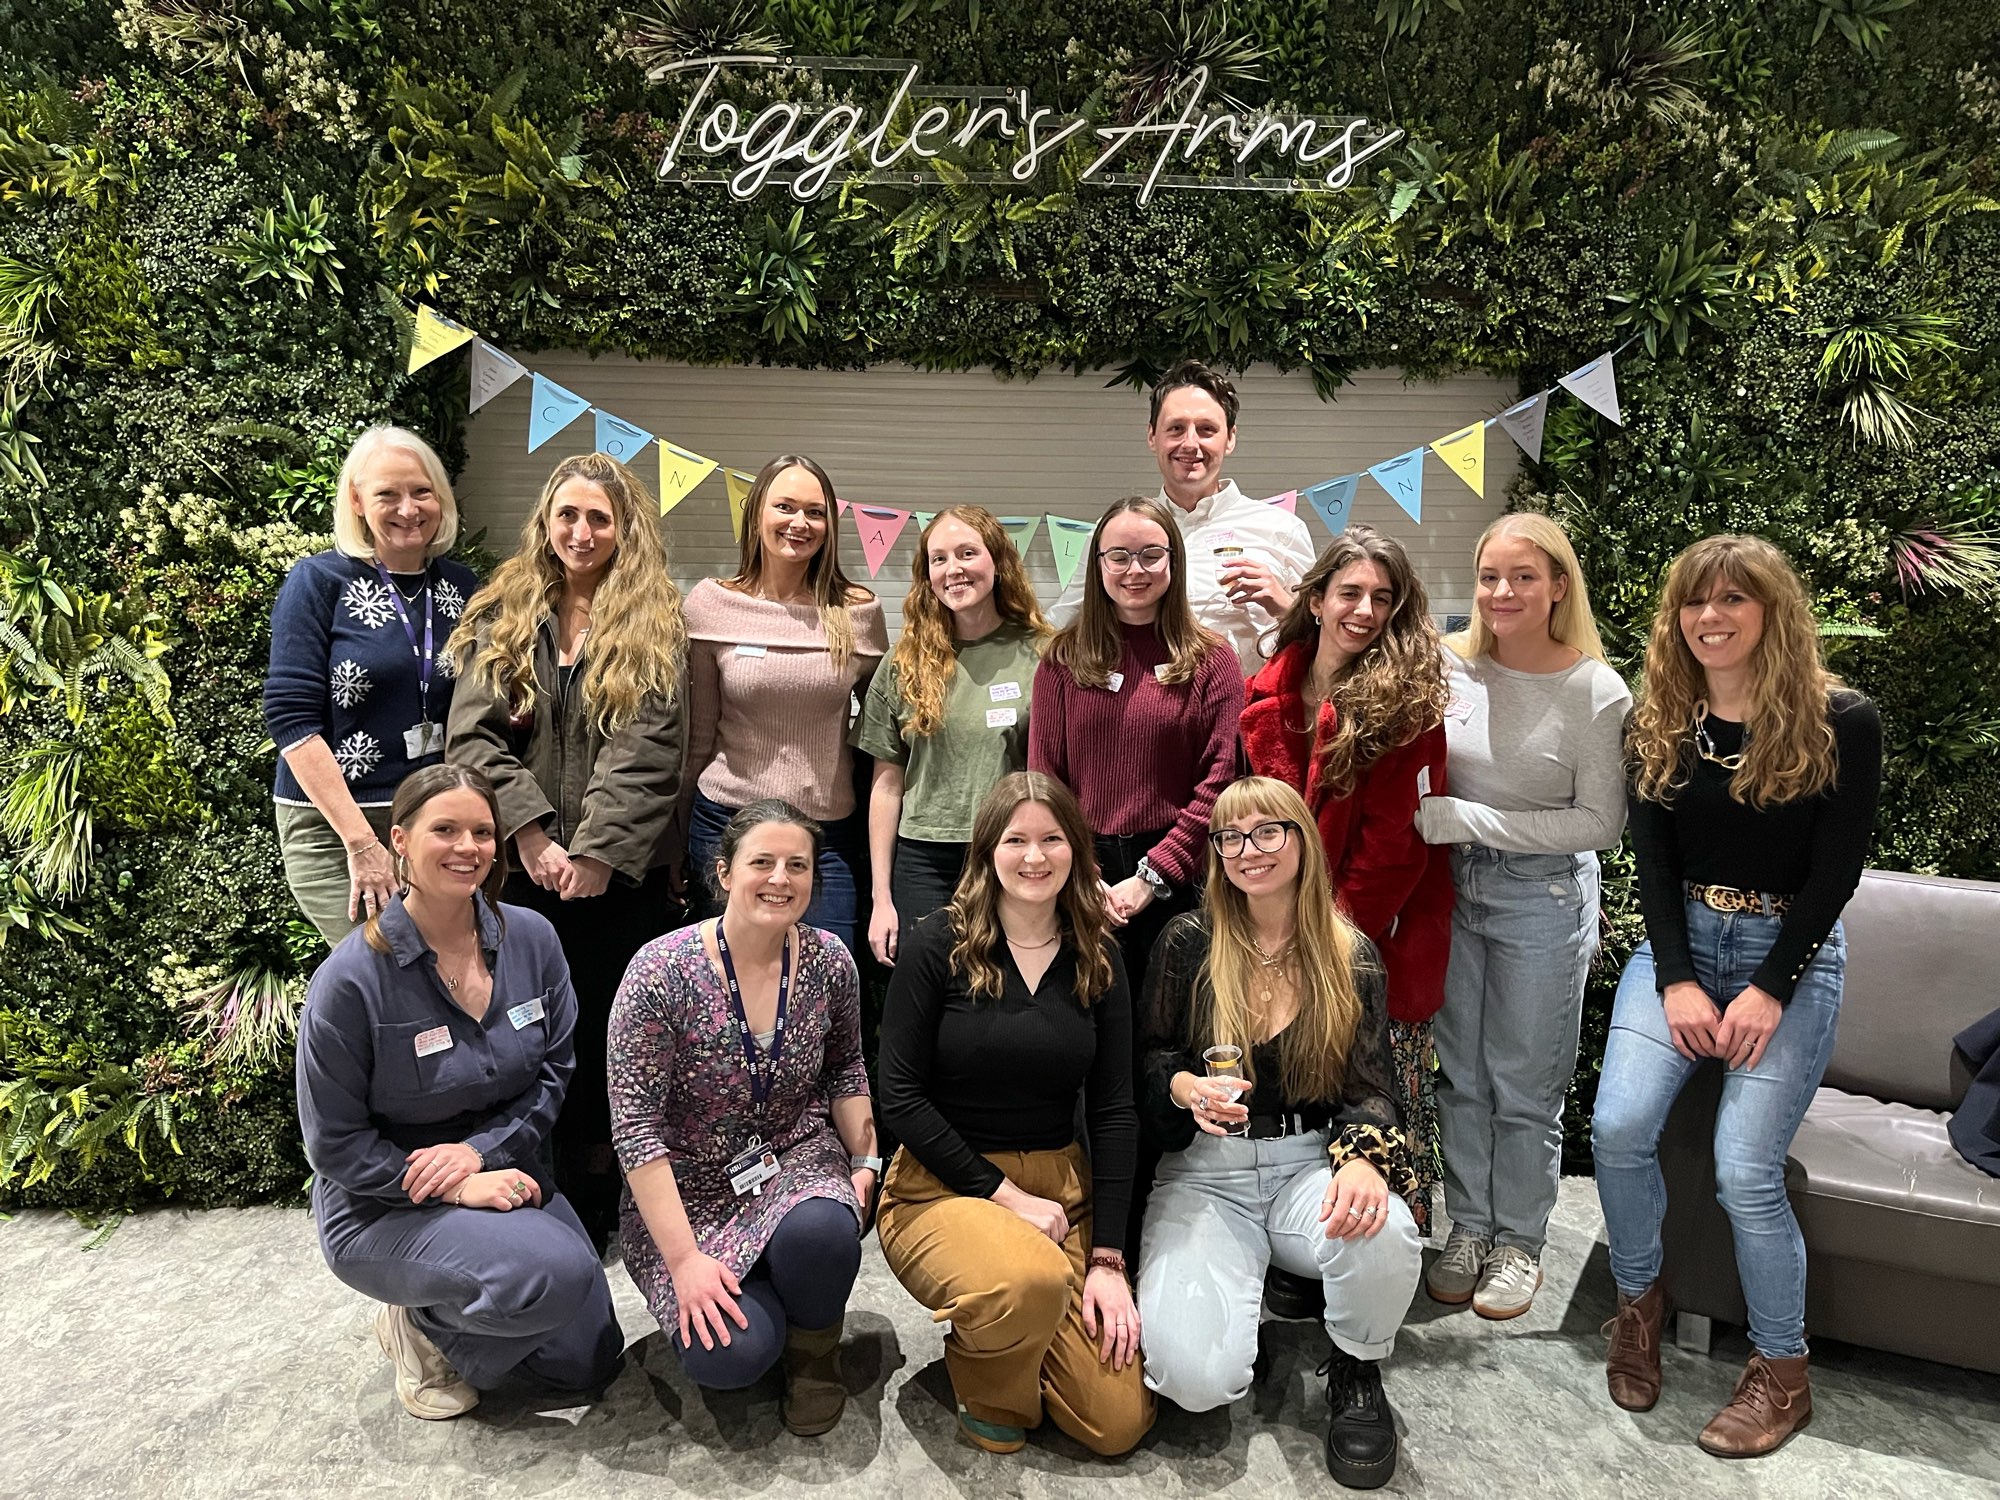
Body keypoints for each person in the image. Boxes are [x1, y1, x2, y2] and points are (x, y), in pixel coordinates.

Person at [1593, 535, 1881, 1458]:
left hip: (1788, 954)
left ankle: (1782, 1372)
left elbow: (1836, 872)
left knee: (1745, 1171)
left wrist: (1769, 988)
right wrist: (1676, 978)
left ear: (1772, 611)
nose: (1709, 617)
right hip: (1680, 943)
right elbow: (1654, 863)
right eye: (1693, 601)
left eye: (1732, 599)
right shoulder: (1657, 720)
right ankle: (1638, 1305)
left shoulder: (1841, 719)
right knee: (1617, 1130)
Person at [295, 763, 623, 1421]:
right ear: (400, 839)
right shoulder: (350, 981)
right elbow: (334, 1144)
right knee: (553, 1277)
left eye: (482, 831)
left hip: (508, 1170)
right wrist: (453, 1184)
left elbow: (555, 1073)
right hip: (385, 1203)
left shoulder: (533, 940)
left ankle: (464, 1303)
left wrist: (480, 1154)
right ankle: (422, 1326)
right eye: (445, 829)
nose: (468, 847)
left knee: (588, 1361)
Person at [1138, 777, 1422, 1490]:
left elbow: (1374, 1088)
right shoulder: (1188, 942)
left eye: (1268, 831)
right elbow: (1150, 1056)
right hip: (1206, 1171)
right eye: (1230, 837)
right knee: (1193, 1381)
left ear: (1303, 840)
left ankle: (1356, 1363)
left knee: (1385, 1227)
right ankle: (1248, 1296)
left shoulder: (1349, 954)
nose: (1248, 849)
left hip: (1308, 1167)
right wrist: (1182, 1087)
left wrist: (1362, 1163)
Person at [446, 451, 687, 1248]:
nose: (582, 532)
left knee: (610, 1033)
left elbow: (650, 750)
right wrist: (531, 833)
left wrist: (595, 854)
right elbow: (472, 739)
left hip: (621, 877)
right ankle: (530, 1177)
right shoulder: (501, 613)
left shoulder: (655, 621)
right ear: (546, 522)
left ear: (625, 529)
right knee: (526, 1029)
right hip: (520, 872)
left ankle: (605, 1183)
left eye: (600, 518)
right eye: (569, 515)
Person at [875, 773, 1154, 1458]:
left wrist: (1109, 1259)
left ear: (1076, 849)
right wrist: (1005, 1196)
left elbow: (1116, 1111)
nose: (1034, 857)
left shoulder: (1100, 955)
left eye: (1052, 839)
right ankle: (991, 1379)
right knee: (1026, 1281)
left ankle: (1011, 1326)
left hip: (1060, 1193)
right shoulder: (936, 943)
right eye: (1015, 840)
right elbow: (899, 1096)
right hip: (942, 1186)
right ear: (987, 852)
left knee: (1115, 1424)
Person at [1414, 513, 1631, 1320]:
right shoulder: (1450, 666)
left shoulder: (1596, 691)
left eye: (1524, 577)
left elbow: (1598, 824)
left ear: (1559, 587)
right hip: (1452, 891)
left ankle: (1520, 1241)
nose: (1502, 592)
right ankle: (1469, 1227)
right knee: (1462, 1075)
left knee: (1525, 1084)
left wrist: (1472, 821)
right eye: (1489, 577)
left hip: (1541, 899)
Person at [609, 800, 880, 1436]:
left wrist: (865, 1158)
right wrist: (684, 1262)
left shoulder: (829, 961)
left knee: (823, 1234)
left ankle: (814, 1353)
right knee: (731, 1356)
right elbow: (635, 1128)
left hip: (793, 1156)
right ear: (725, 872)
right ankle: (772, 1304)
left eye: (797, 865)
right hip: (689, 1184)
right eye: (763, 862)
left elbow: (846, 1066)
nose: (780, 879)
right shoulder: (660, 971)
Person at [1242, 526, 1454, 1237]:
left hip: (1372, 936)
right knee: (1300, 1088)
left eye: (1382, 598)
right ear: (1316, 598)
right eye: (1350, 592)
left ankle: (1387, 1244)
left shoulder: (1407, 705)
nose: (1364, 611)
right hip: (1276, 930)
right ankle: (1303, 1235)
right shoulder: (1267, 689)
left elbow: (1395, 849)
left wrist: (1326, 939)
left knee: (1376, 1090)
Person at [265, 426, 479, 945]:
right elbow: (291, 720)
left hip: (431, 818)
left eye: (422, 491)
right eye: (388, 494)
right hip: (336, 822)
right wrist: (361, 842)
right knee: (380, 962)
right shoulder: (319, 582)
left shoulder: (464, 586)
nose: (408, 509)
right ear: (358, 501)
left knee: (433, 963)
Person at [1029, 494, 1244, 1003]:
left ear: (1174, 559)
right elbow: (1045, 780)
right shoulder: (1062, 660)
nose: (1135, 570)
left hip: (1183, 871)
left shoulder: (1213, 660)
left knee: (1176, 1026)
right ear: (1098, 564)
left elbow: (1221, 779)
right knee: (1089, 1022)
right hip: (1082, 872)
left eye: (1151, 555)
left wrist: (1155, 874)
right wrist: (1082, 874)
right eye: (1119, 556)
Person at [682, 456, 888, 957]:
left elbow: (881, 738)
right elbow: (699, 734)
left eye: (815, 512)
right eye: (785, 507)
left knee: (825, 977)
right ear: (756, 513)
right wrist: (673, 842)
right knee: (725, 982)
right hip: (727, 827)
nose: (800, 523)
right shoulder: (712, 605)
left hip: (824, 836)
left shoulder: (857, 613)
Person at [854, 506, 1051, 966]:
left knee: (1007, 986)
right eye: (938, 559)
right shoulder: (904, 662)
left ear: (998, 561)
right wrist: (882, 898)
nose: (953, 569)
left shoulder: (1044, 652)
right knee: (928, 989)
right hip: (923, 861)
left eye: (967, 553)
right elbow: (886, 784)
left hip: (1013, 853)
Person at [1051, 359, 1315, 675]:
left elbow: (1325, 639)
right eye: (1176, 428)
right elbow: (1063, 621)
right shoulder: (1115, 534)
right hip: (1141, 703)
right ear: (1152, 436)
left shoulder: (1282, 529)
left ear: (1230, 438)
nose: (1190, 444)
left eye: (1206, 430)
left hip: (1248, 703)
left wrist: (1283, 605)